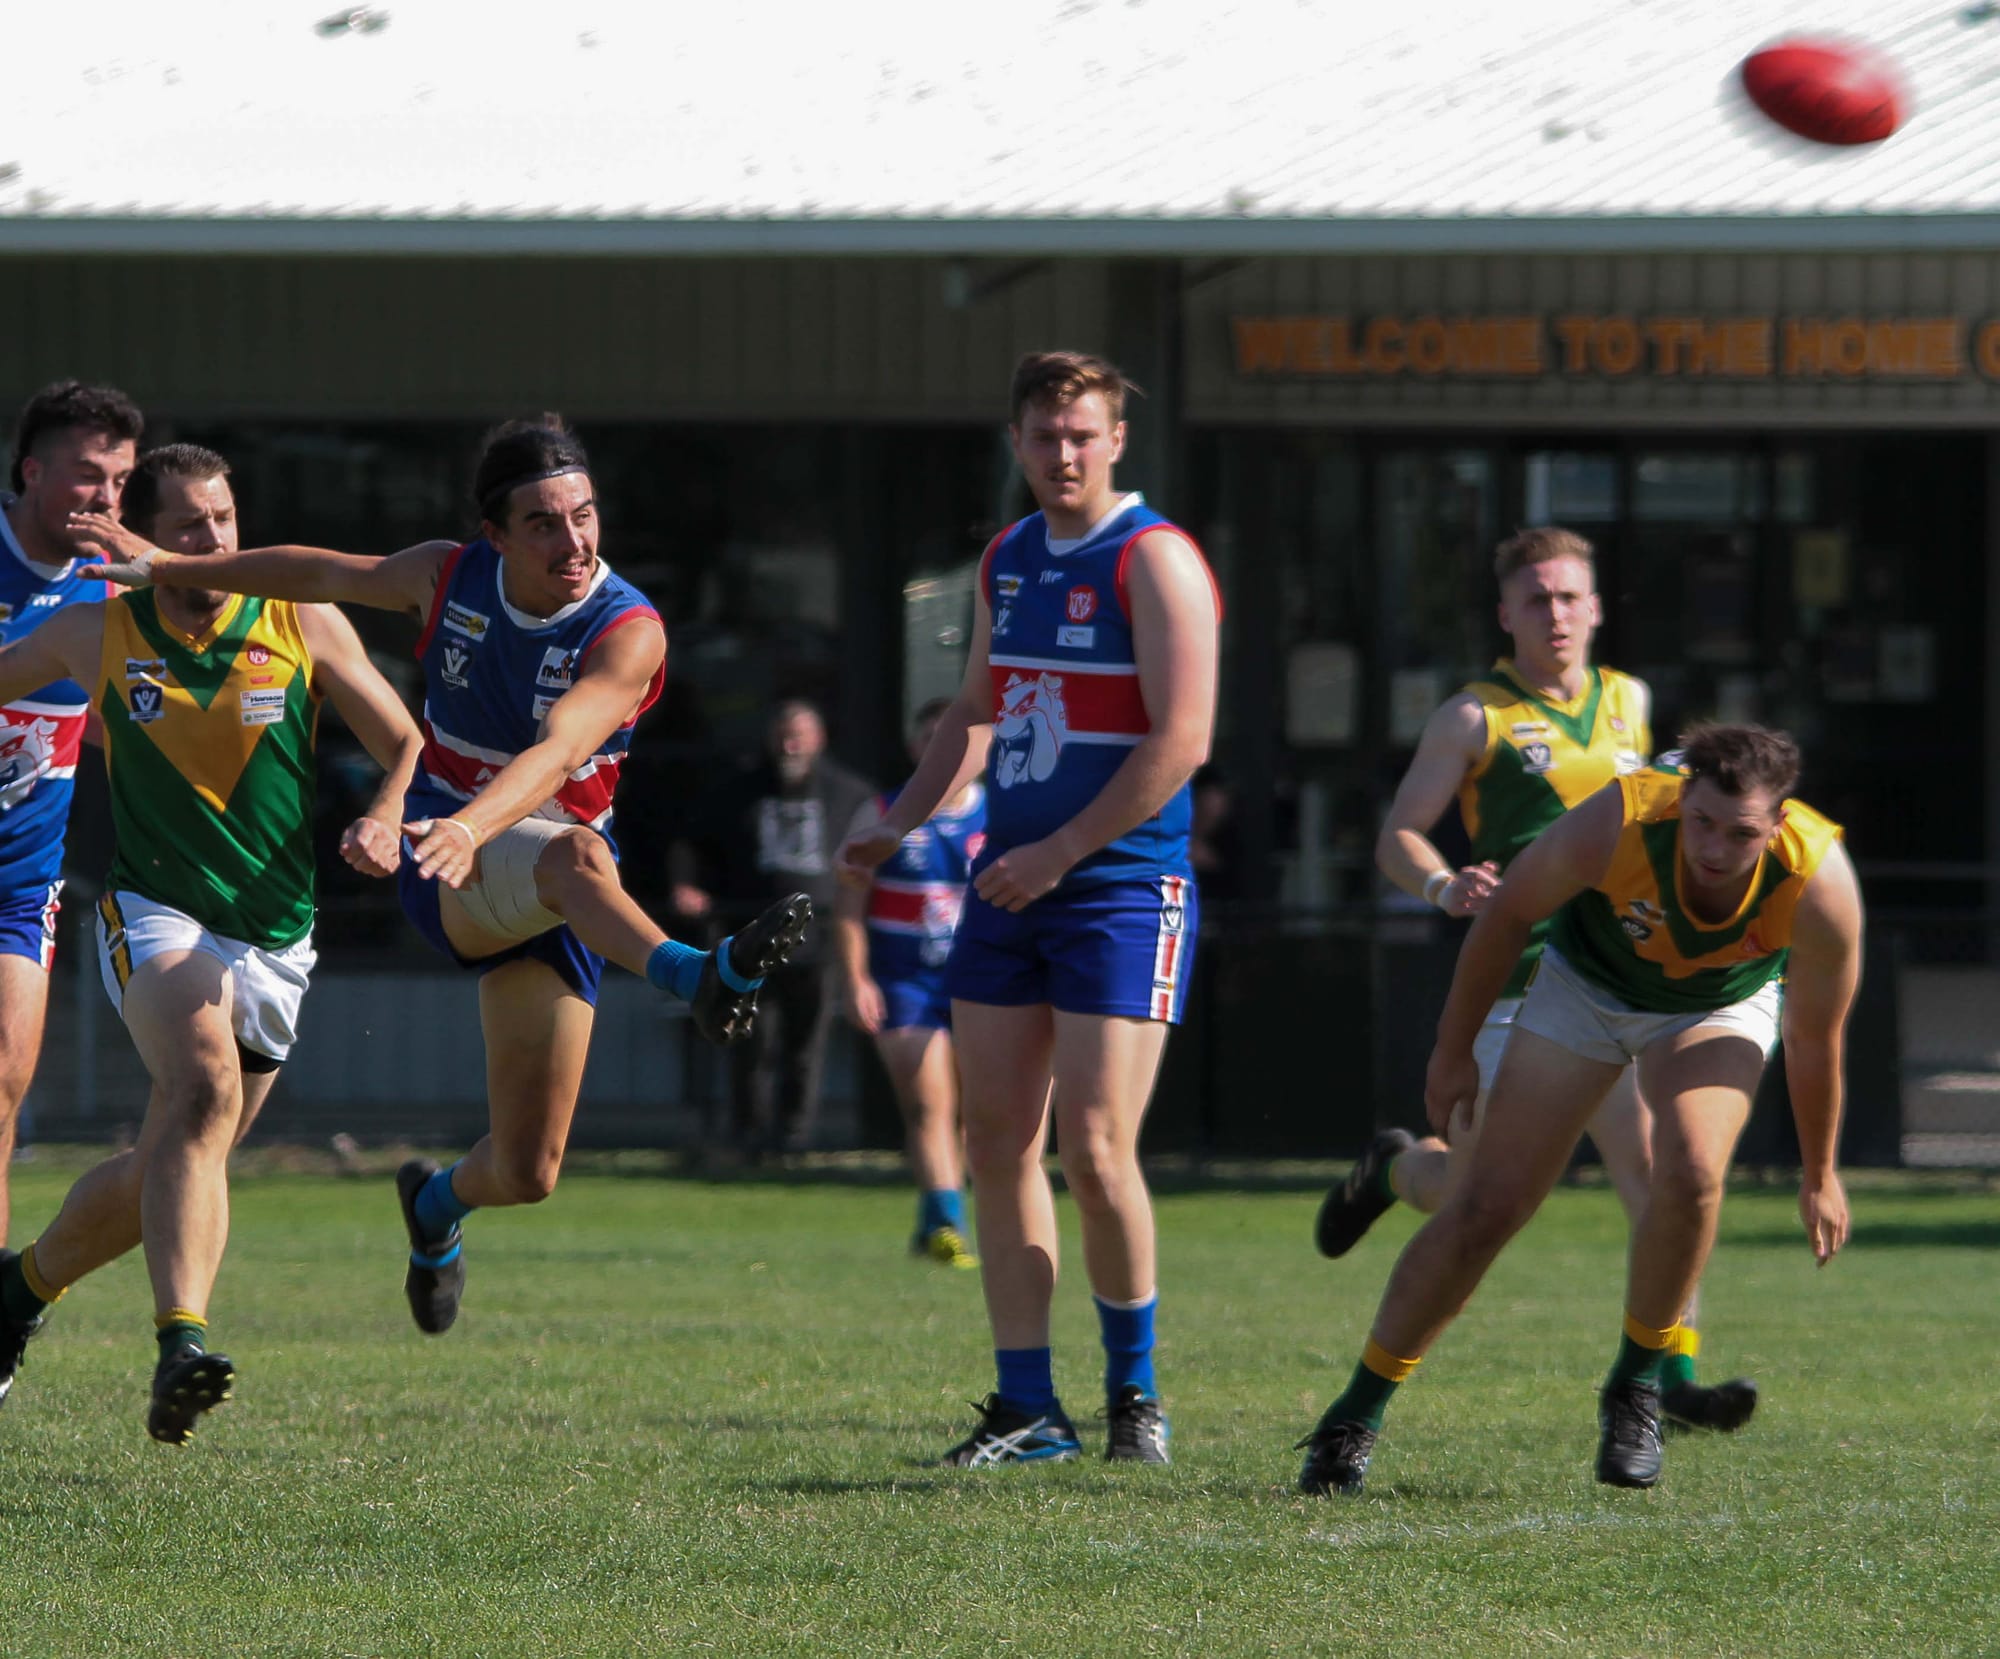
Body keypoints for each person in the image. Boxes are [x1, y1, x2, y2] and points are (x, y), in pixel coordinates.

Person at [66, 416, 811, 1339]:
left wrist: (474, 822)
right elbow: (317, 572)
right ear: (493, 537)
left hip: (530, 877)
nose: (572, 540)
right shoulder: (444, 574)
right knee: (580, 854)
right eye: (542, 522)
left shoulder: (630, 631)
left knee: (529, 1169)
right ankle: (693, 975)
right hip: (456, 869)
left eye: (583, 515)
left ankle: (434, 1203)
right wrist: (171, 570)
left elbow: (561, 749)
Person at [1295, 724, 1861, 1496]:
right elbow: (1507, 915)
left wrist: (1821, 1172)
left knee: (1690, 1172)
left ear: (1781, 821)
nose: (1716, 849)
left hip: (1715, 1007)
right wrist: (1452, 1050)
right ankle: (1353, 1416)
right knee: (1487, 1206)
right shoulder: (1621, 818)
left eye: (1742, 832)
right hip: (1587, 990)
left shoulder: (1820, 881)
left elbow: (1814, 1036)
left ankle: (1635, 1387)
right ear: (1681, 797)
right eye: (1701, 821)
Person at [839, 350, 1221, 1466]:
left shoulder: (1155, 561)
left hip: (1116, 888)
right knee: (995, 1141)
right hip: (1012, 880)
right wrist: (906, 816)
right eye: (1044, 436)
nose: (1062, 454)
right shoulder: (1006, 557)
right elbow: (972, 709)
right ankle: (1026, 1411)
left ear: (1115, 442)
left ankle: (1134, 1399)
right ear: (1015, 443)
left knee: (1098, 1151)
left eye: (1082, 434)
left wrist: (1057, 851)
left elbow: (1181, 741)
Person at [0, 442, 421, 1442]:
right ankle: (181, 1341)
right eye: (190, 524)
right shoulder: (93, 630)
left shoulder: (298, 618)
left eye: (223, 522)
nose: (213, 541)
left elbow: (403, 741)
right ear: (148, 537)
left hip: (276, 934)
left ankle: (14, 1297)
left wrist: (389, 816)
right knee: (200, 1090)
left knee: (171, 1162)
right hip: (151, 913)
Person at [1314, 525, 1753, 1432]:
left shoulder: (1630, 701)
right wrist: (1444, 882)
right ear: (1505, 613)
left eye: (1569, 597)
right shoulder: (1473, 716)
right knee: (1473, 1198)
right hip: (1520, 986)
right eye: (1536, 599)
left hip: (1624, 981)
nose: (1554, 613)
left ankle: (1668, 1380)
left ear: (1595, 608)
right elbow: (1401, 831)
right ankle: (1396, 1169)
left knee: (1665, 1174)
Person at [0, 381, 144, 1246]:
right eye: (89, 476)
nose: (107, 499)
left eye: (121, 481)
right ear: (30, 472)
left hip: (17, 887)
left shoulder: (118, 591)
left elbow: (116, 724)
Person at [671, 699, 872, 1158]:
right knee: (752, 1041)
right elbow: (690, 841)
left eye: (800, 735)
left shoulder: (850, 794)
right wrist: (686, 886)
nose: (790, 744)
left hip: (818, 939)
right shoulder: (736, 790)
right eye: (783, 735)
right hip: (750, 936)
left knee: (806, 1045)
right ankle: (750, 1136)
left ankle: (795, 1139)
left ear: (820, 739)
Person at [833, 697, 985, 1268]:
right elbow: (850, 905)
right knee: (927, 1105)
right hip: (905, 981)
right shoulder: (882, 813)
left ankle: (935, 1218)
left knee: (981, 1112)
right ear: (916, 748)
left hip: (979, 982)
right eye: (930, 738)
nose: (940, 749)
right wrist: (855, 979)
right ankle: (949, 1224)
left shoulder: (1000, 817)